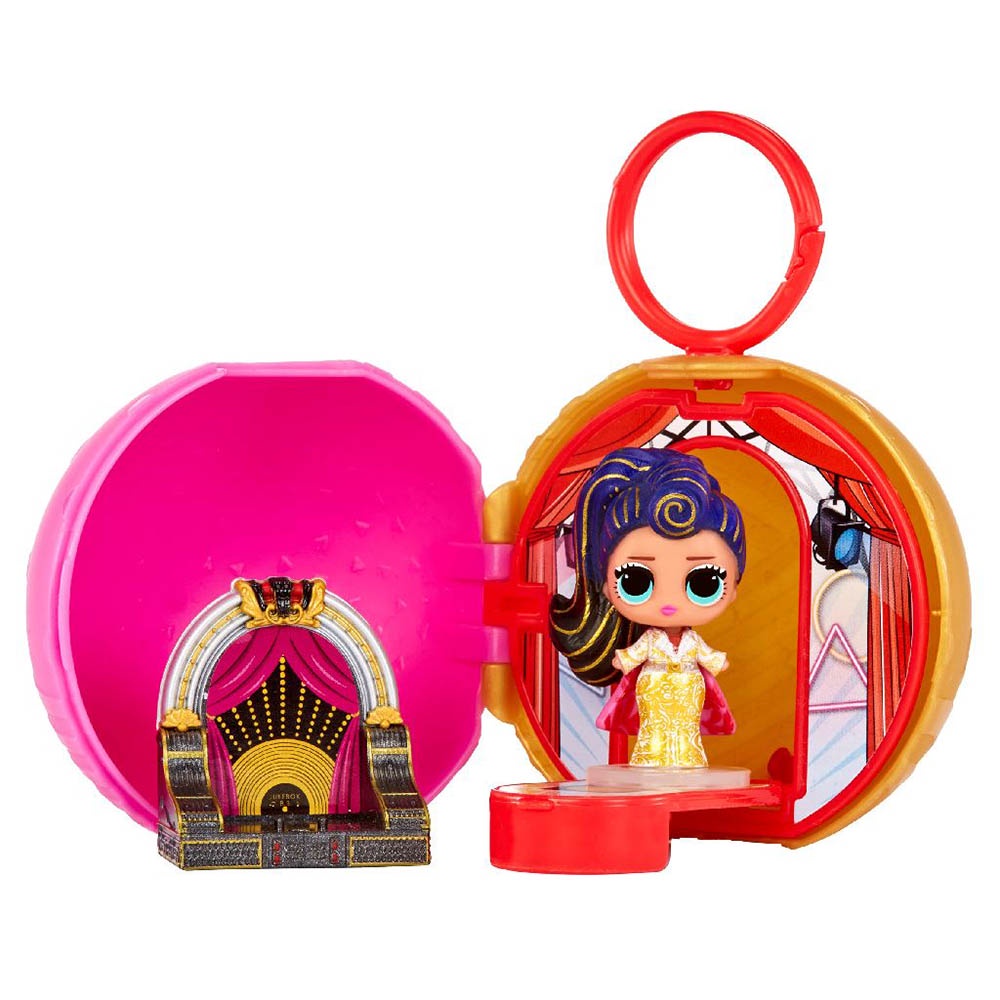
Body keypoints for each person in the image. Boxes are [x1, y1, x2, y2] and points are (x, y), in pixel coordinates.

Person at [550, 447, 746, 767]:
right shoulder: (652, 640)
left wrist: (715, 661)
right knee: (653, 730)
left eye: (705, 582)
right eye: (635, 580)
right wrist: (624, 659)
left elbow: (707, 657)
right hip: (653, 688)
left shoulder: (689, 642)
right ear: (607, 584)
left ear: (733, 586)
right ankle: (650, 759)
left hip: (688, 690)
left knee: (685, 731)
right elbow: (633, 655)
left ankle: (688, 760)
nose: (669, 602)